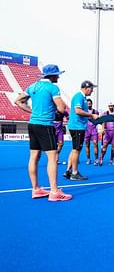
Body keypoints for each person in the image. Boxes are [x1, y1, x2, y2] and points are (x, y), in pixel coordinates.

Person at [14, 64, 71, 201]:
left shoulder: (32, 86)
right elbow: (62, 108)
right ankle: (54, 191)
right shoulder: (52, 87)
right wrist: (57, 111)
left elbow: (18, 101)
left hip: (32, 124)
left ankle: (36, 189)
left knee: (34, 157)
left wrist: (32, 112)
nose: (58, 76)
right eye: (57, 74)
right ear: (51, 75)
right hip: (45, 125)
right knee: (53, 157)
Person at [65, 80, 99, 181]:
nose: (92, 91)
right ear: (86, 88)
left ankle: (68, 170)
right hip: (77, 127)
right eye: (91, 89)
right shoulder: (79, 96)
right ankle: (74, 173)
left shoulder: (82, 97)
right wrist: (91, 114)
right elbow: (78, 111)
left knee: (74, 149)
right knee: (76, 150)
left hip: (78, 126)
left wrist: (94, 118)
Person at [84, 99, 99, 165]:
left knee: (95, 144)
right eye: (88, 103)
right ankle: (88, 159)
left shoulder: (95, 111)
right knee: (87, 145)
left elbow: (98, 120)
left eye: (90, 103)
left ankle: (96, 159)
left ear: (92, 104)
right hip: (86, 130)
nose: (89, 104)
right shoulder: (84, 111)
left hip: (93, 130)